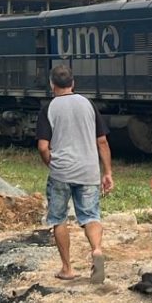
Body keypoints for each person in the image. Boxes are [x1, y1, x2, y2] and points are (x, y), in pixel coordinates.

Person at [36, 64, 114, 283]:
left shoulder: (48, 109)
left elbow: (43, 147)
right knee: (91, 215)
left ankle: (67, 268)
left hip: (61, 172)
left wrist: (51, 163)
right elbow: (102, 141)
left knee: (58, 218)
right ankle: (97, 250)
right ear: (73, 83)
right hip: (89, 171)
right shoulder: (88, 105)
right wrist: (107, 172)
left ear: (52, 84)